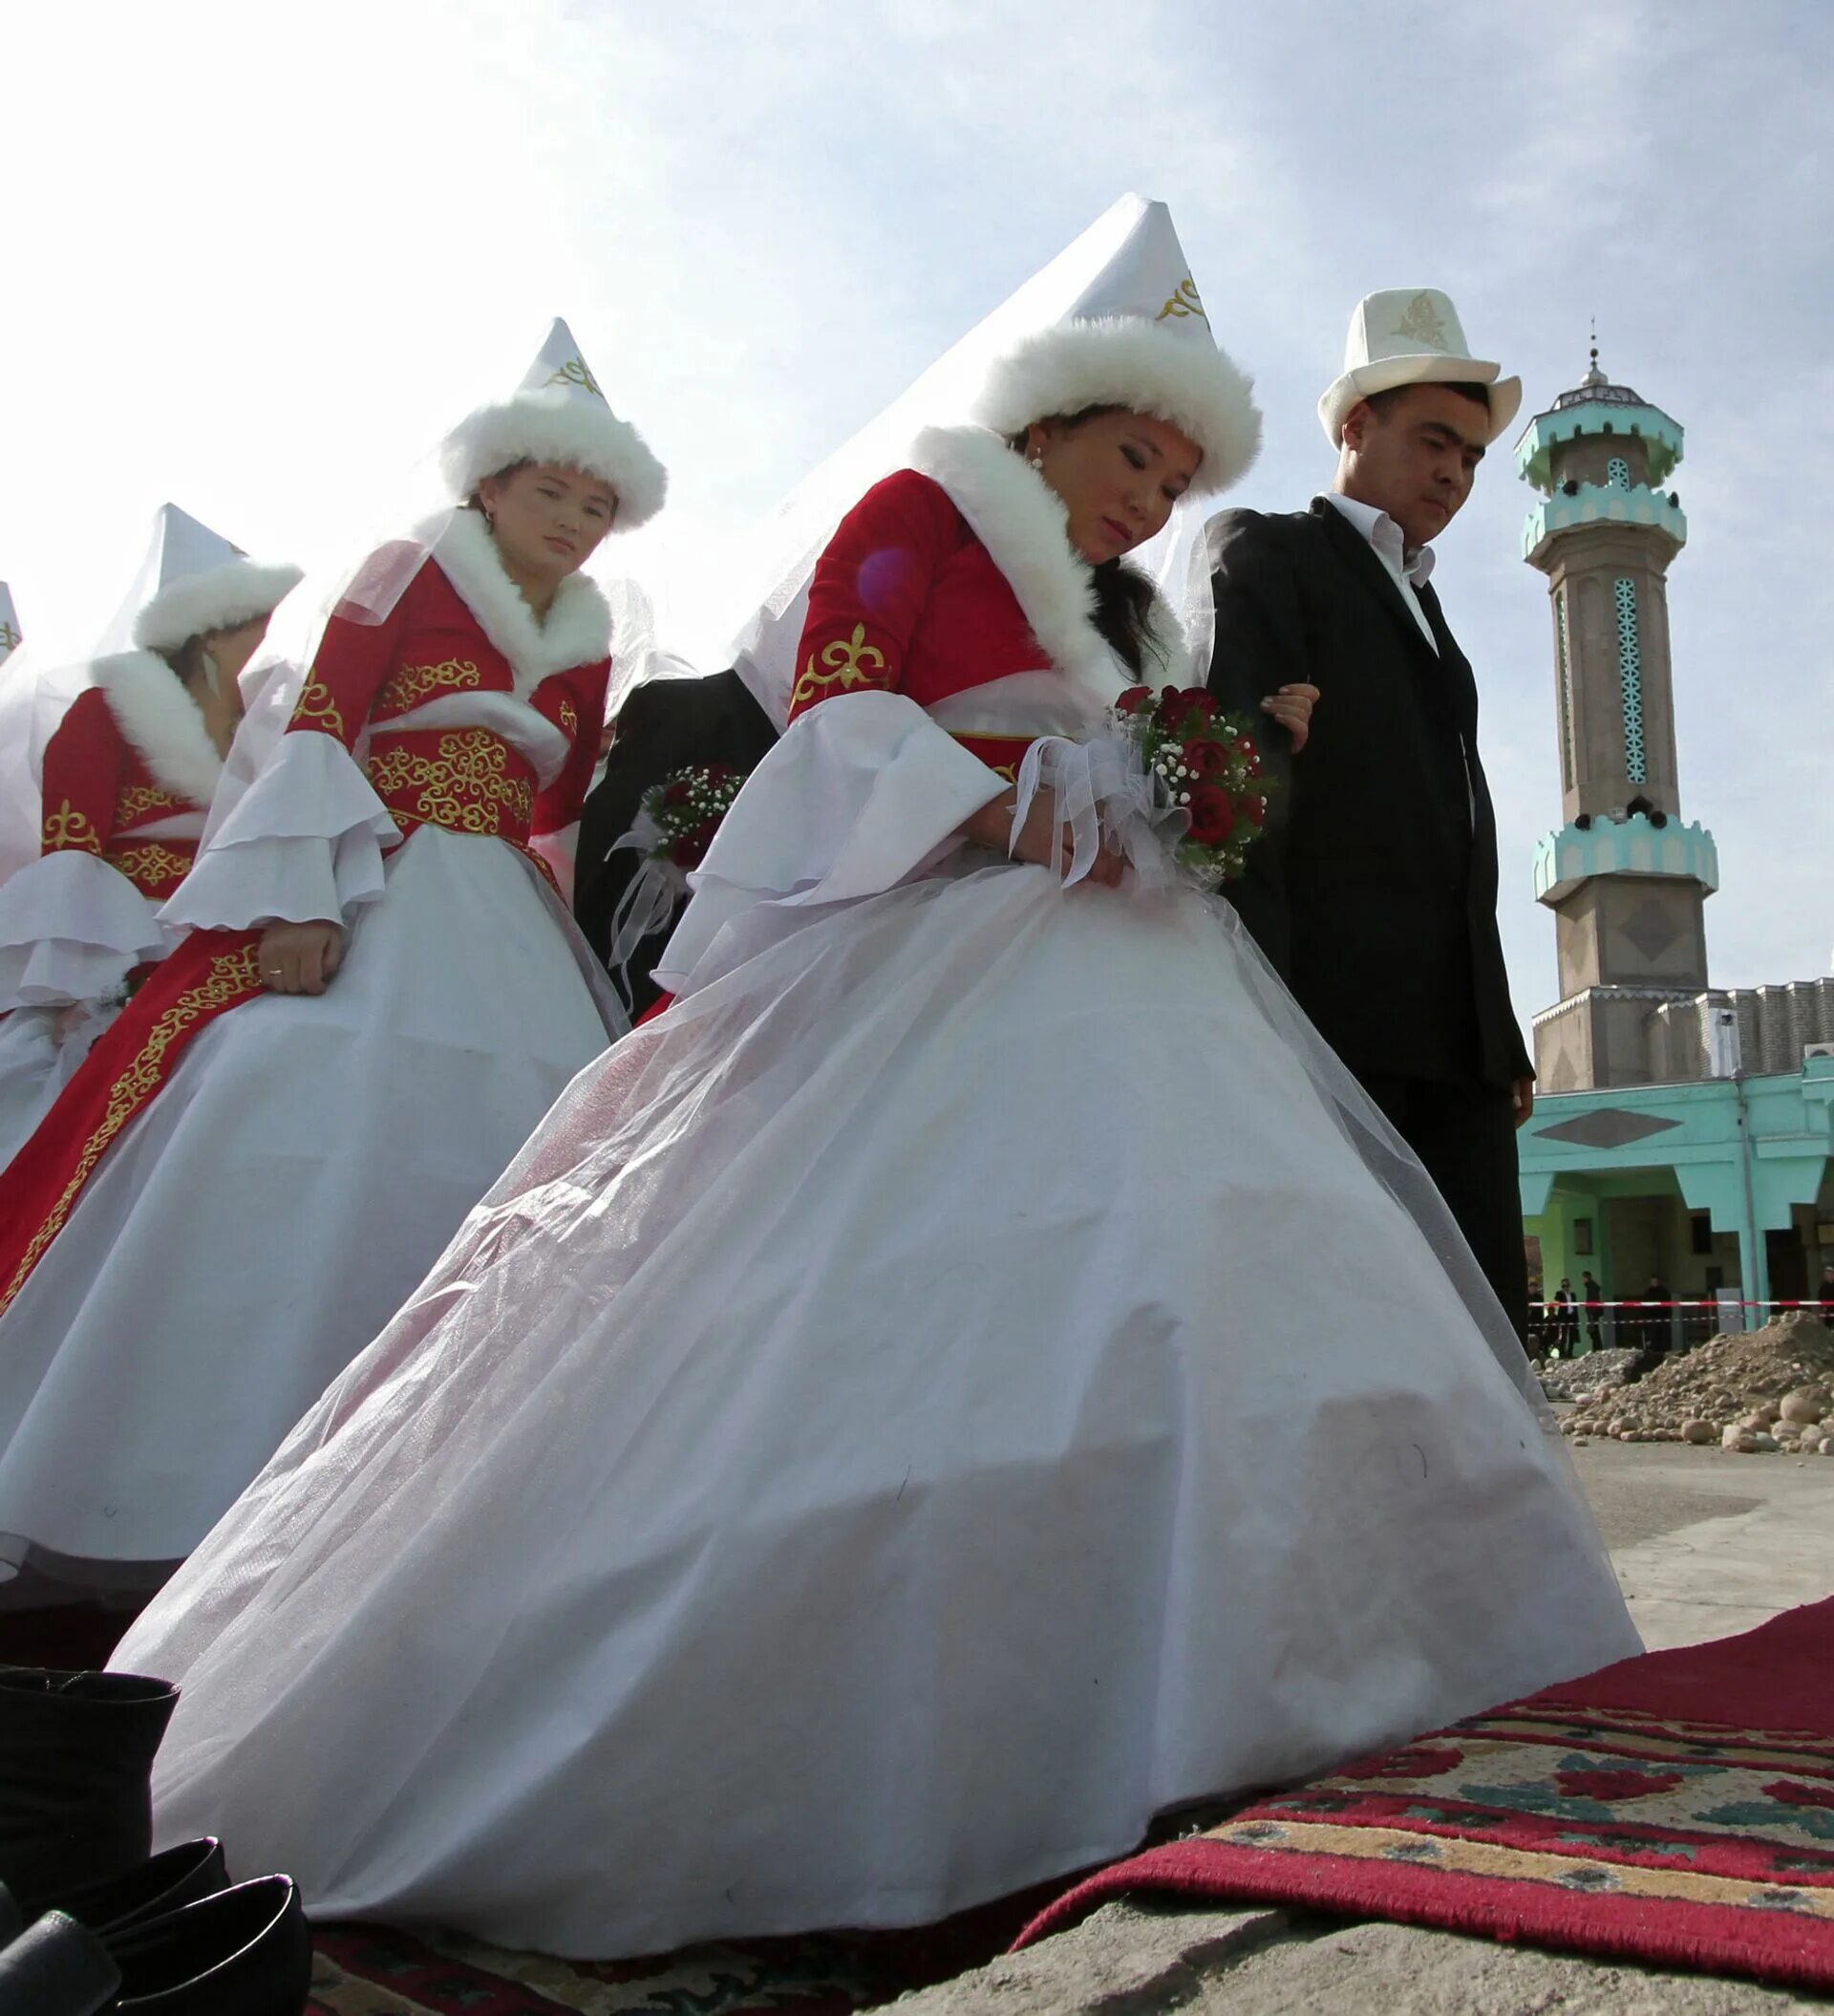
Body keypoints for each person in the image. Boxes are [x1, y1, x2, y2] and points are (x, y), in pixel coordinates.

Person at [115, 197, 1634, 1962]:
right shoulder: (918, 512)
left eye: (1169, 476)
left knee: (1204, 1282)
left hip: (1093, 962)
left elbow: (1072, 763)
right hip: (947, 952)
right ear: (1051, 417)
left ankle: (1272, 1692)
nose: (1148, 500)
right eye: (1130, 453)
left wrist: (1140, 794)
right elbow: (842, 716)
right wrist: (1029, 807)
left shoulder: (1089, 605)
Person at [0, 320, 660, 1641]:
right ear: (489, 483)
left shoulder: (584, 633)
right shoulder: (408, 566)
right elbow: (321, 721)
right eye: (553, 493)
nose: (575, 522)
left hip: (498, 900)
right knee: (296, 1107)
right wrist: (300, 892)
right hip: (387, 867)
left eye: (598, 506)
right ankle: (192, 1474)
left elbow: (561, 789)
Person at [1205, 290, 1534, 1341]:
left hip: (1459, 1045)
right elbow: (1238, 794)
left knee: (1483, 1338)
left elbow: (1459, 832)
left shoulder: (1435, 616)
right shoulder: (1270, 552)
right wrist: (1265, 1006)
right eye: (1435, 440)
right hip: (1337, 1020)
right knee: (1347, 1334)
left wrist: (1500, 1027)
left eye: (1475, 458)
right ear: (1355, 425)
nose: (1455, 474)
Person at [0, 512, 300, 1164]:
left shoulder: (273, 734)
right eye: (262, 625)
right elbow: (71, 855)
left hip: (237, 948)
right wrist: (78, 987)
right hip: (125, 951)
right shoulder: (103, 716)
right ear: (211, 636)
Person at [1582, 1270, 1606, 1351]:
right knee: (1594, 1330)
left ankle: (1597, 1349)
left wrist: (1591, 1313)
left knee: (1594, 1331)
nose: (1582, 1280)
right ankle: (1597, 1348)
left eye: (1583, 1278)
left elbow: (1592, 1300)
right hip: (1594, 1311)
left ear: (1586, 1277)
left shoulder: (1591, 1287)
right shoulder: (1592, 1286)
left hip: (1593, 1312)